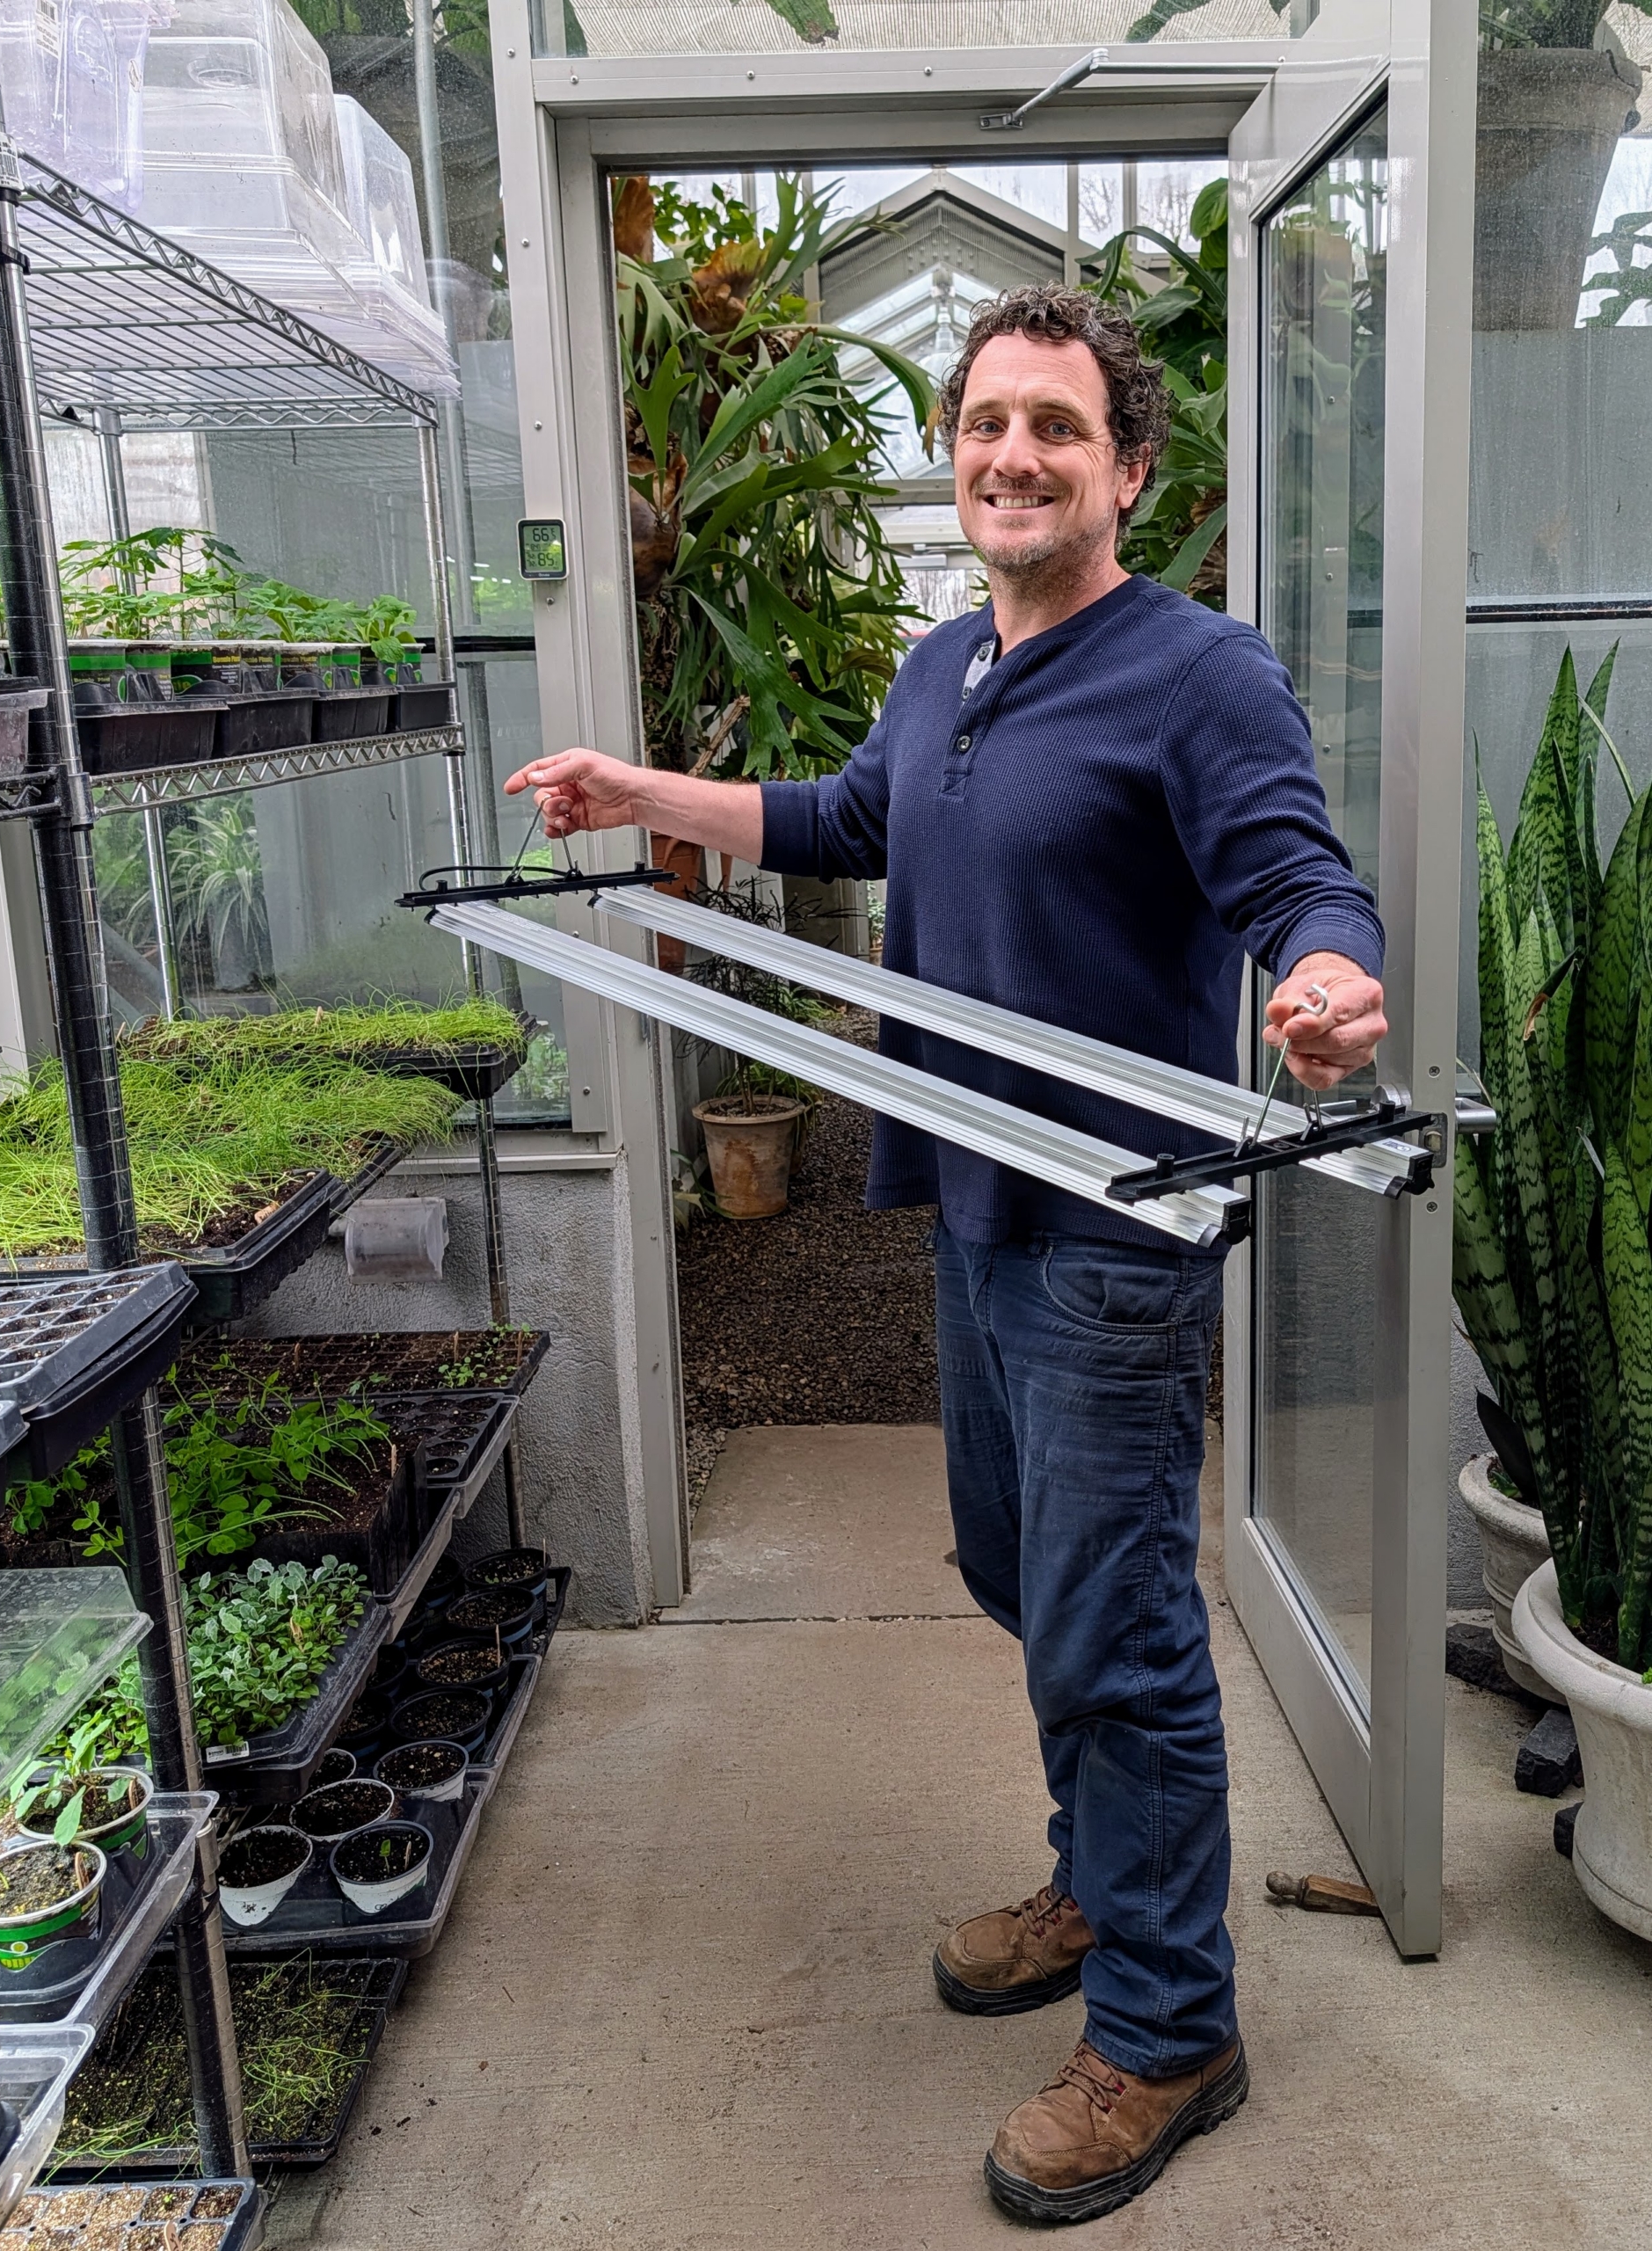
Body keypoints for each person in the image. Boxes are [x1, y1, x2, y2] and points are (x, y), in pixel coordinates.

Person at [506, 282, 1387, 2226]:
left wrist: (1328, 979)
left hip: (1111, 1235)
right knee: (1019, 1572)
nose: (1012, 453)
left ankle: (1169, 2025)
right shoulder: (944, 663)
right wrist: (640, 795)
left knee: (1117, 1626)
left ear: (1125, 471)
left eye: (1055, 427)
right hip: (977, 1209)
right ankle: (1101, 1877)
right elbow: (848, 815)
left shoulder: (1198, 673)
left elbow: (1293, 874)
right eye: (987, 421)